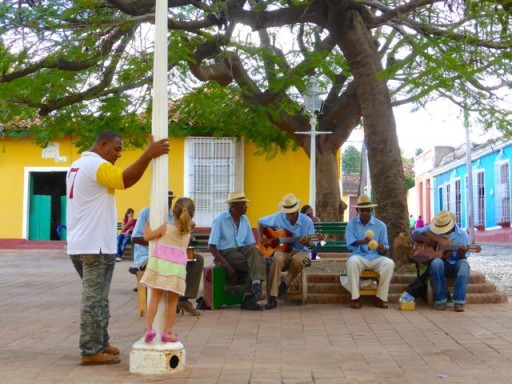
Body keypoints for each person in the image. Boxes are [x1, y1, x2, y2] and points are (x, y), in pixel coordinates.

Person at [67, 130, 169, 366]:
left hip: (82, 244)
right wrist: (148, 154)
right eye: (116, 149)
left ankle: (101, 343)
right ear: (102, 145)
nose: (119, 154)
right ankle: (91, 350)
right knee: (94, 300)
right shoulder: (96, 166)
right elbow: (126, 180)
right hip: (95, 246)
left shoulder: (77, 165)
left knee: (100, 299)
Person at [131, 191, 204, 316]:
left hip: (169, 255)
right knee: (169, 266)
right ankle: (168, 300)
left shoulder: (173, 216)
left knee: (197, 259)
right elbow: (135, 238)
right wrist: (161, 241)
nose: (168, 203)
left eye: (170, 201)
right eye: (166, 200)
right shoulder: (146, 212)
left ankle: (183, 299)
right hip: (147, 256)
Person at [140, 197, 196, 343]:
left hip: (160, 267)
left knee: (155, 298)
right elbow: (190, 223)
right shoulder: (188, 233)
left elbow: (147, 236)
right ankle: (168, 332)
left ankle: (148, 329)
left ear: (173, 212)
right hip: (176, 271)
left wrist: (146, 225)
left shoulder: (165, 228)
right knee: (172, 302)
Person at [401, 210, 470, 312]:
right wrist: (428, 240)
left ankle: (459, 302)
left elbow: (462, 258)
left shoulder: (462, 236)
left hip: (454, 265)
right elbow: (414, 235)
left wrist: (461, 254)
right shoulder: (432, 229)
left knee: (464, 264)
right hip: (439, 265)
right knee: (437, 262)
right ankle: (440, 300)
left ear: (451, 226)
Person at [208, 191, 267, 311]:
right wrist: (227, 266)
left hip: (241, 250)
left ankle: (254, 288)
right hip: (226, 252)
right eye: (243, 204)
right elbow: (212, 246)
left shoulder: (245, 220)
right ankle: (250, 297)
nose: (246, 206)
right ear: (234, 206)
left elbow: (250, 243)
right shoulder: (220, 220)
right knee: (259, 263)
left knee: (254, 252)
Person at [259, 193, 316, 310]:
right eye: (287, 214)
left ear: (298, 210)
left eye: (292, 214)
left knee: (297, 259)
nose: (290, 217)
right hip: (284, 251)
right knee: (277, 258)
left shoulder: (307, 221)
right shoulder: (279, 216)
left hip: (301, 251)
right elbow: (260, 221)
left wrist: (306, 242)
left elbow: (313, 245)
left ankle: (286, 282)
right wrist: (261, 238)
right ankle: (272, 298)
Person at [343, 195, 394, 309]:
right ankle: (355, 298)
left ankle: (381, 298)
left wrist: (381, 247)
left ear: (371, 210)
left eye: (367, 210)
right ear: (357, 210)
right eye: (362, 210)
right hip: (359, 256)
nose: (365, 212)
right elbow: (350, 244)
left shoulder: (381, 225)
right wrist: (363, 241)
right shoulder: (352, 224)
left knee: (389, 263)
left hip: (375, 257)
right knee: (352, 262)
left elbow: (385, 247)